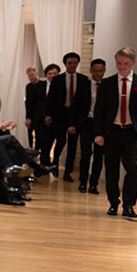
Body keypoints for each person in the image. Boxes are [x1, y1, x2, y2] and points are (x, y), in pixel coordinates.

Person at [94, 47, 137, 218]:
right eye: (119, 63)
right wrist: (98, 133)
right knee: (111, 169)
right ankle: (113, 203)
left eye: (126, 63)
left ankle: (129, 205)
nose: (122, 66)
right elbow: (99, 111)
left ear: (133, 63)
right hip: (111, 132)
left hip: (132, 132)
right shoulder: (107, 83)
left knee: (132, 169)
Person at [45, 52, 91, 182]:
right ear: (65, 64)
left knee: (72, 145)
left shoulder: (83, 80)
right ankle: (55, 163)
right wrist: (48, 114)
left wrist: (81, 118)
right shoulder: (57, 79)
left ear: (77, 64)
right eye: (69, 63)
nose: (72, 65)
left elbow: (85, 101)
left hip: (75, 116)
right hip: (60, 114)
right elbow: (50, 99)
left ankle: (68, 172)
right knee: (60, 141)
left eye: (74, 63)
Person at [78, 59, 106, 194]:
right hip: (87, 124)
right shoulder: (84, 85)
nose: (98, 73)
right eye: (95, 70)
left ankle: (93, 184)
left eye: (101, 71)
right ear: (90, 70)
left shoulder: (108, 86)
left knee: (99, 157)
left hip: (102, 126)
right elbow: (75, 105)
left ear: (104, 71)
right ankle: (83, 182)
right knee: (85, 154)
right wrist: (74, 124)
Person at [24, 67, 41, 149]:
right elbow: (28, 103)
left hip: (40, 115)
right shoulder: (28, 86)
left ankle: (37, 152)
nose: (30, 77)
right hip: (31, 114)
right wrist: (27, 117)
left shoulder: (42, 85)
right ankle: (30, 152)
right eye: (29, 76)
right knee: (29, 135)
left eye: (32, 75)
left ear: (36, 73)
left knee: (39, 136)